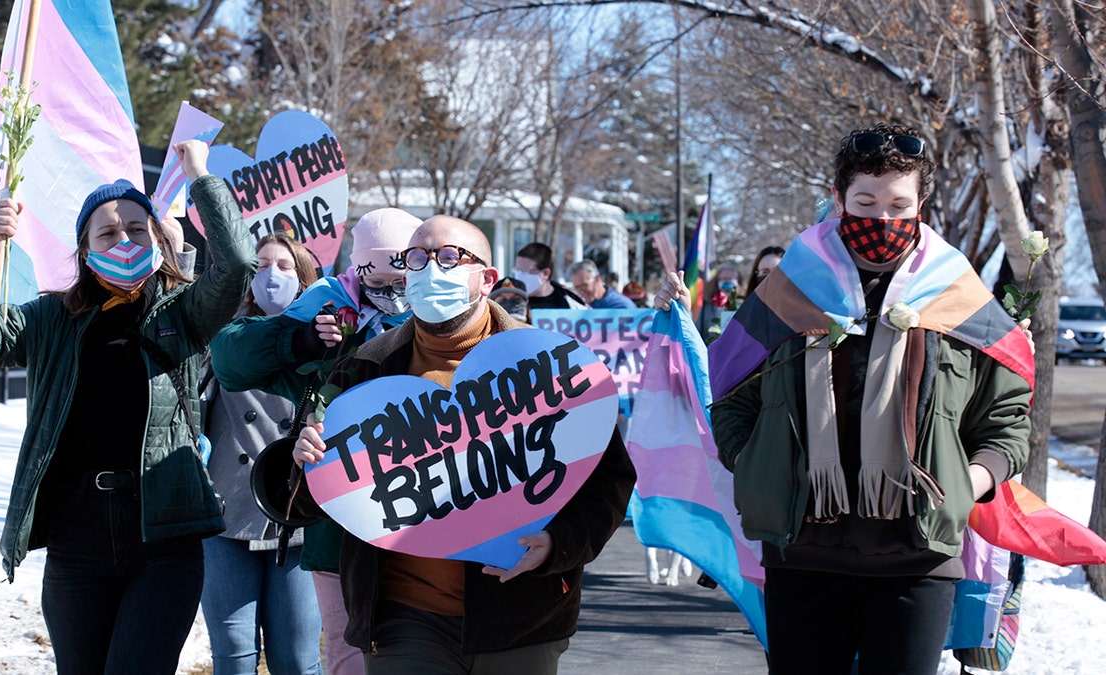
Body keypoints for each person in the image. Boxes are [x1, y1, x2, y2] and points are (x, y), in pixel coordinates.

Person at [707, 122, 1034, 675]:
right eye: (865, 200)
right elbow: (730, 395)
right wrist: (757, 465)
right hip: (803, 555)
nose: (882, 218)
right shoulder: (790, 289)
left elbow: (1006, 420)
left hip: (919, 560)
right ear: (837, 198)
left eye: (898, 204)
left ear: (921, 203)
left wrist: (966, 483)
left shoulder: (959, 296)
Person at [0, 140, 256, 674]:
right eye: (107, 232)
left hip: (163, 537)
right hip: (76, 539)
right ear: (84, 250)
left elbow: (238, 263)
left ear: (157, 238)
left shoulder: (184, 315)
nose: (124, 240)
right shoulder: (49, 319)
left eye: (136, 229)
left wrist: (201, 176)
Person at [291, 215, 636, 675]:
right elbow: (314, 496)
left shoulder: (550, 367)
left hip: (520, 617)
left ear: (487, 279)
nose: (432, 269)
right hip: (401, 620)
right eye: (417, 258)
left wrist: (559, 544)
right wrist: (304, 460)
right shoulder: (363, 370)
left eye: (451, 257)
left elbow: (608, 482)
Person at [209, 207, 423, 675]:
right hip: (328, 523)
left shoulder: (444, 324)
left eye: (404, 277)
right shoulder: (327, 314)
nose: (393, 295)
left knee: (414, 652)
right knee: (341, 656)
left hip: (420, 524)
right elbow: (230, 360)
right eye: (379, 281)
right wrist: (302, 337)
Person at [198, 232, 322, 675]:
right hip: (225, 512)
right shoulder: (223, 337)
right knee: (232, 655)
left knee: (296, 658)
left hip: (297, 514)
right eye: (262, 266)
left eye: (285, 266)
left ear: (306, 279)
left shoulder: (325, 341)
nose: (273, 275)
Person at [513, 241, 587, 310]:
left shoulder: (569, 303)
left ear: (545, 273)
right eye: (517, 269)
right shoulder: (509, 300)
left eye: (525, 270)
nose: (519, 275)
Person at [569, 259, 637, 309]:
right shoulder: (576, 306)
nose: (581, 291)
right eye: (577, 287)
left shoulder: (622, 306)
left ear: (598, 279)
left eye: (584, 285)